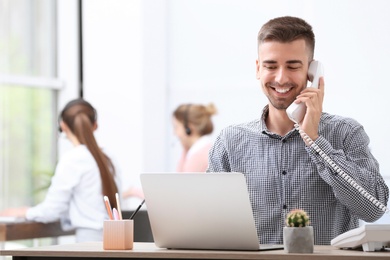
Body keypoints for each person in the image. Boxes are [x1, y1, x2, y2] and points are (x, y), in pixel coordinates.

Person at [207, 16, 389, 245]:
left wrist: (314, 140)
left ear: (312, 72)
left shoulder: (346, 133)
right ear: (258, 69)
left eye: (293, 66)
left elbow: (374, 208)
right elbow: (210, 222)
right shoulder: (230, 141)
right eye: (271, 66)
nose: (281, 77)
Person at [0, 98, 120, 242]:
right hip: (116, 239)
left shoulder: (73, 159)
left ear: (63, 126)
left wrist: (24, 212)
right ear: (95, 126)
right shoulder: (108, 158)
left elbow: (52, 210)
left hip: (89, 242)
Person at [173, 103, 217, 172]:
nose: (174, 133)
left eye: (176, 127)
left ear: (188, 128)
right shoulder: (205, 148)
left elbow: (180, 180)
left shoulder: (198, 157)